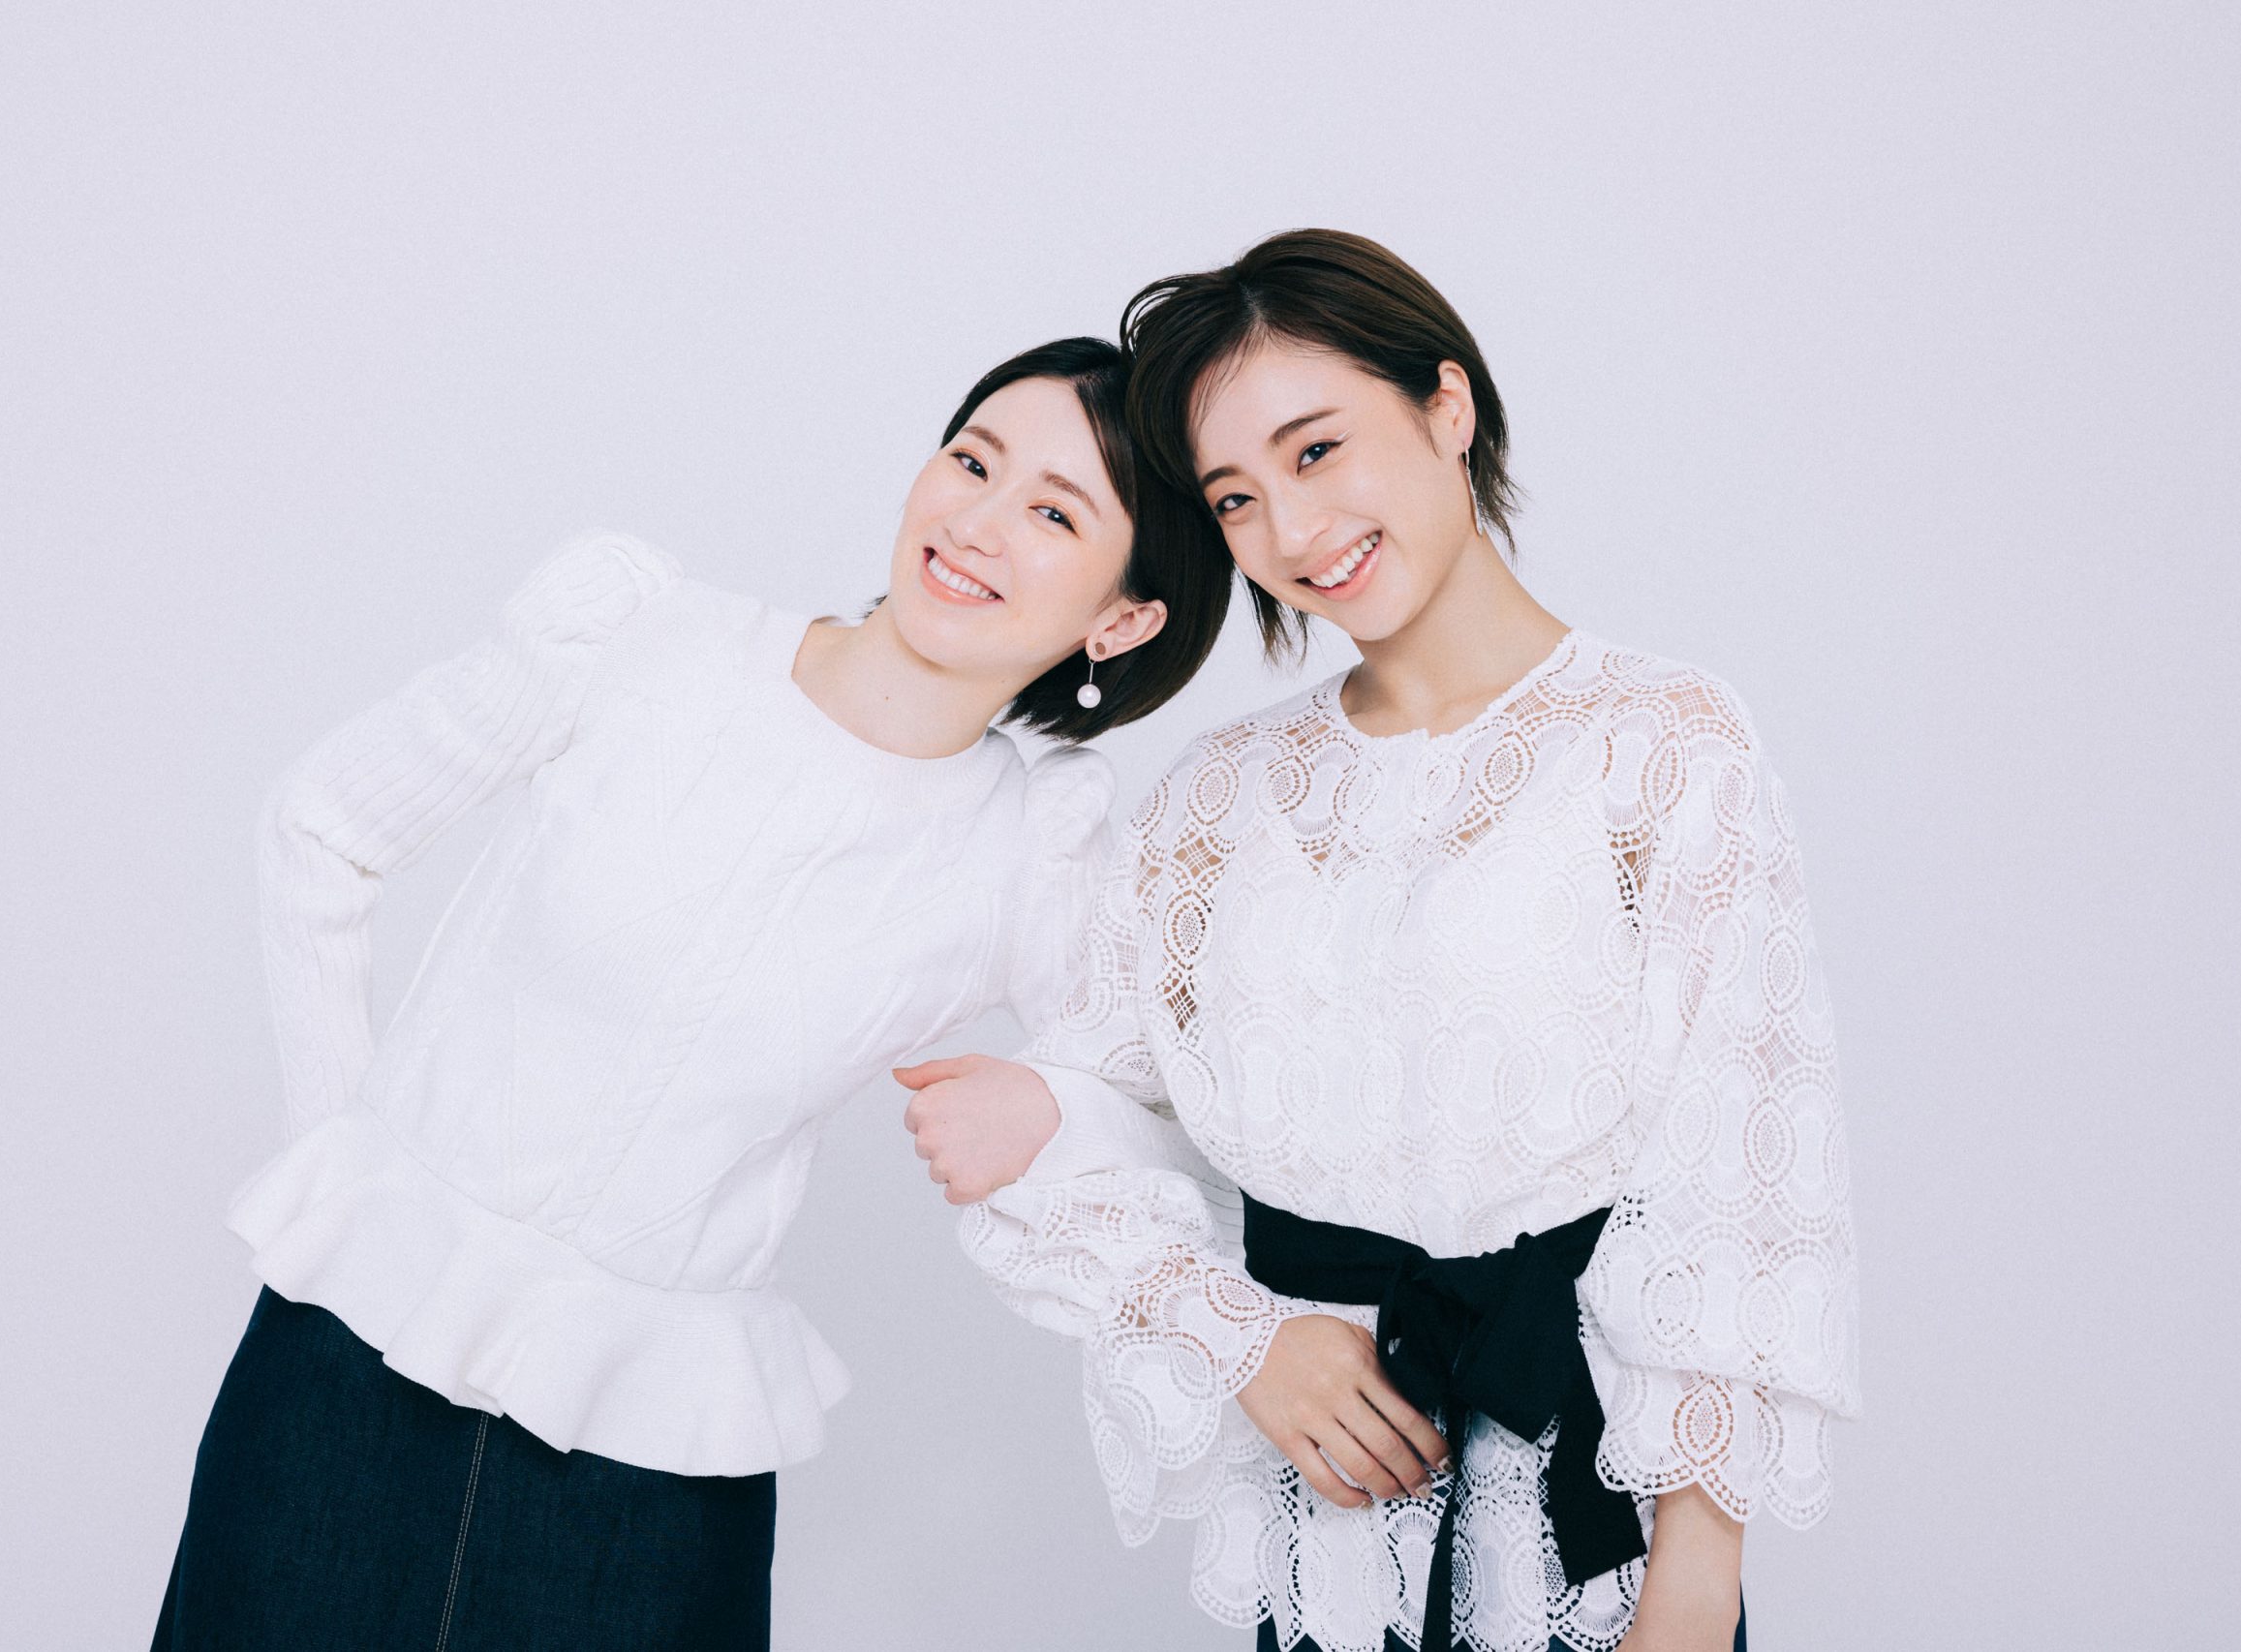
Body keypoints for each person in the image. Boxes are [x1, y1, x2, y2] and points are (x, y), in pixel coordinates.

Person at [153, 337, 1232, 1651]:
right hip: (342, 1378)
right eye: (972, 461)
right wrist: (347, 1174)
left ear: (1120, 620)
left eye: (1054, 514)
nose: (978, 522)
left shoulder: (1030, 855)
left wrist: (1052, 1112)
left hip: (644, 1472)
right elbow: (323, 823)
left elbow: (1183, 1113)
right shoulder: (644, 640)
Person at [902, 233, 1860, 1652]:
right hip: (1336, 1540)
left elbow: (1740, 1173)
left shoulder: (1659, 744)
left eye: (1317, 449)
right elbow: (1097, 1113)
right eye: (1236, 496)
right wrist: (1243, 1338)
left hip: (1602, 1540)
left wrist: (1695, 1579)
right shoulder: (1216, 804)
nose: (1293, 531)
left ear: (1446, 407)